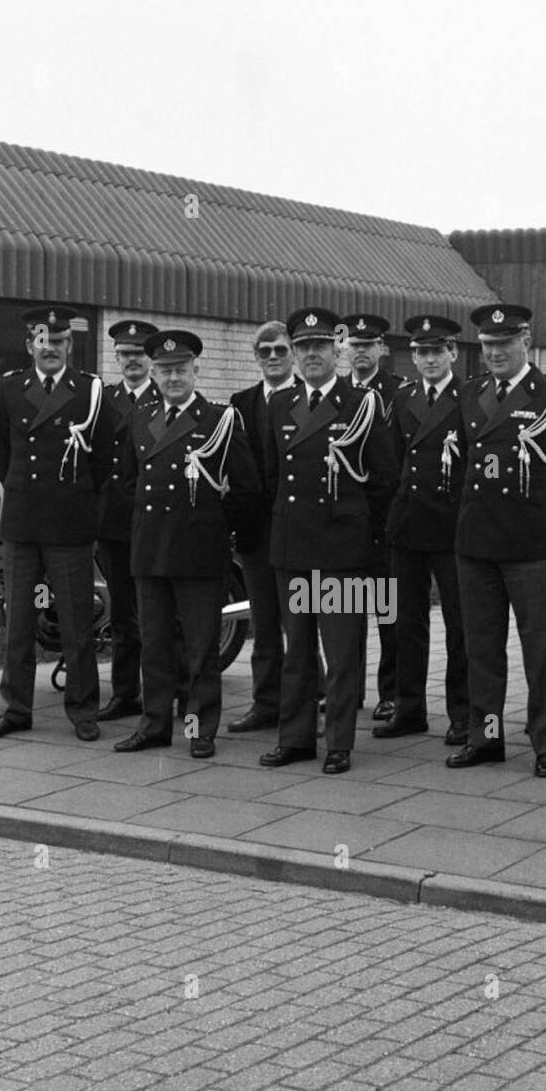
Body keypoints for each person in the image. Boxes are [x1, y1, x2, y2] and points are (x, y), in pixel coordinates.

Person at [259, 307, 398, 775]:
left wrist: (360, 534)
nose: (311, 354)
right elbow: (273, 477)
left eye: (319, 346)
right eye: (303, 347)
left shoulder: (362, 404)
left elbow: (383, 480)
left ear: (336, 350)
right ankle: (295, 738)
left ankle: (339, 742)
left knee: (341, 653)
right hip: (294, 549)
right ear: (295, 354)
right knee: (296, 650)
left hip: (342, 550)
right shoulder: (279, 405)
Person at [112, 331, 259, 759]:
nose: (173, 377)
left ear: (196, 370)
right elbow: (124, 481)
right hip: (151, 549)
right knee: (154, 644)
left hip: (199, 550)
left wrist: (222, 533)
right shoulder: (141, 416)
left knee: (199, 649)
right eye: (165, 370)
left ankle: (198, 728)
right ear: (154, 373)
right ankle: (155, 725)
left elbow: (245, 489)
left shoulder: (219, 420)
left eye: (181, 369)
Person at [447, 303, 546, 779]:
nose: (496, 352)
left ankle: (544, 744)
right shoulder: (471, 391)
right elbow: (459, 466)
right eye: (488, 345)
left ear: (525, 341)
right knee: (482, 648)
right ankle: (486, 737)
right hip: (477, 542)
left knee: (540, 650)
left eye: (504, 343)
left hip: (533, 543)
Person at [0, 305, 113, 742]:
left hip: (69, 523)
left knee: (76, 624)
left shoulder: (89, 391)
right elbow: (2, 452)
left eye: (58, 341)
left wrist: (76, 498)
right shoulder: (9, 388)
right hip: (22, 523)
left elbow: (104, 458)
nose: (50, 348)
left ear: (70, 346)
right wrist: (25, 490)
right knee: (19, 622)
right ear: (29, 345)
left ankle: (83, 711)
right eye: (43, 341)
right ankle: (16, 708)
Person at [376, 315, 470, 746]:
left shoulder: (468, 396)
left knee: (460, 625)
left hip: (451, 526)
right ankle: (408, 708)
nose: (429, 359)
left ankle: (463, 714)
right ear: (411, 356)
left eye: (437, 351)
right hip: (410, 523)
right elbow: (392, 460)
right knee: (405, 623)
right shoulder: (403, 396)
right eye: (421, 352)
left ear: (452, 353)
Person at [226, 320, 303, 733]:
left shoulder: (310, 400)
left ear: (292, 354)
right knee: (265, 623)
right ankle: (266, 704)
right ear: (255, 357)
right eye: (264, 351)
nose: (272, 357)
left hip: (297, 531)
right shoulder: (240, 403)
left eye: (280, 349)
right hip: (256, 532)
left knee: (300, 622)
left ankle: (307, 703)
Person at [96, 319, 161, 722]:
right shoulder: (103, 399)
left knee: (158, 613)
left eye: (139, 354)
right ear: (116, 357)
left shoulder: (166, 397)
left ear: (150, 359)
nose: (132, 361)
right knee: (122, 614)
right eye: (125, 354)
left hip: (153, 521)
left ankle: (162, 692)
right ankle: (125, 694)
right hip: (115, 522)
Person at [342, 313, 402, 722]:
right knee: (345, 612)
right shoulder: (336, 393)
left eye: (369, 344)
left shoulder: (399, 393)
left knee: (387, 614)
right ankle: (348, 691)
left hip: (382, 520)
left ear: (382, 349)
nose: (361, 351)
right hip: (344, 521)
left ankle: (392, 692)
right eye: (354, 345)